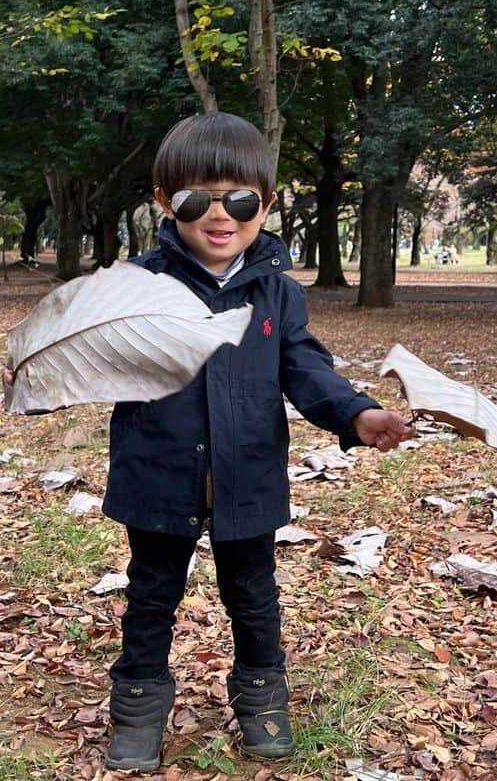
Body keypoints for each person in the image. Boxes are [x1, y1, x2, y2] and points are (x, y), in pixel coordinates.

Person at [99, 113, 413, 771]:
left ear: (265, 204)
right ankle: (137, 708)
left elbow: (305, 368)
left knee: (254, 595)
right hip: (156, 472)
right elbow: (89, 355)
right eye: (196, 199)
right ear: (164, 202)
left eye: (240, 200)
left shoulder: (277, 292)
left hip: (249, 476)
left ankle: (263, 699)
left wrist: (356, 415)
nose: (221, 216)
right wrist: (38, 368)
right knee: (151, 594)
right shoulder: (136, 285)